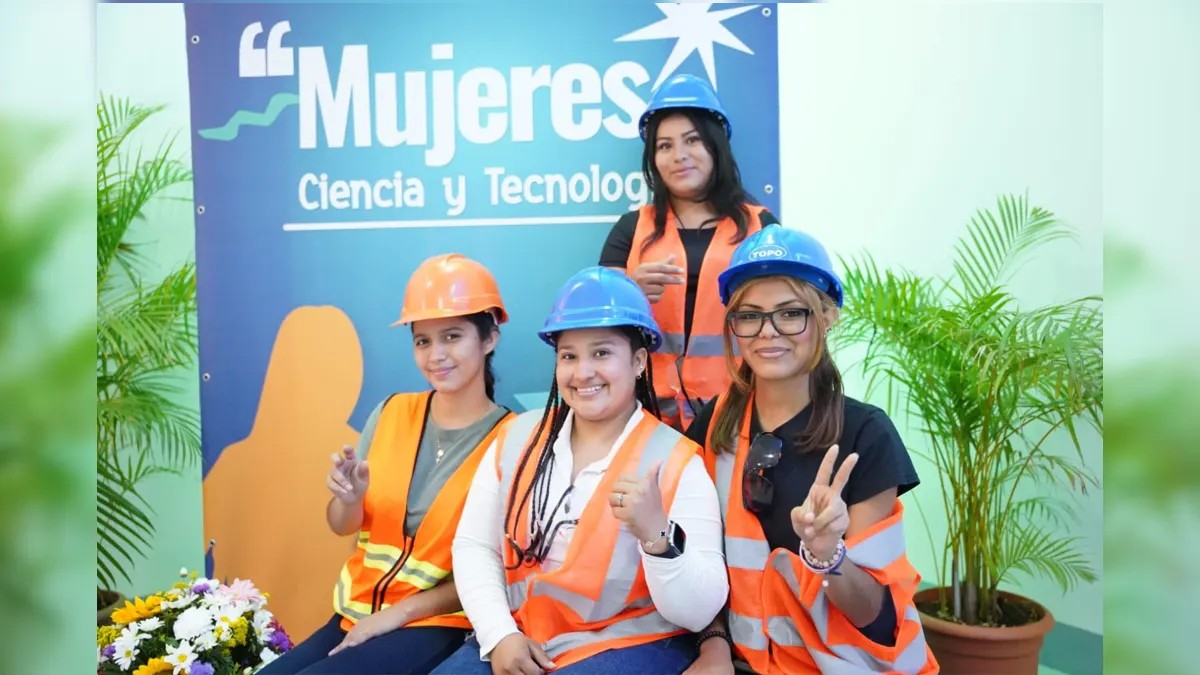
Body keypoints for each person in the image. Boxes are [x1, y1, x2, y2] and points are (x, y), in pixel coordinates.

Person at [434, 266, 728, 675]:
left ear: (640, 361)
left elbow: (699, 612)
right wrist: (499, 635)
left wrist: (658, 536)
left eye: (602, 353)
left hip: (628, 643)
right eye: (569, 355)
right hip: (524, 635)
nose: (583, 372)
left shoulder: (678, 461)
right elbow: (474, 547)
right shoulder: (516, 438)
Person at [683, 225, 939, 674]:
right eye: (750, 315)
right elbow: (699, 566)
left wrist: (827, 555)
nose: (768, 332)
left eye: (790, 313)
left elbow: (876, 621)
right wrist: (714, 646)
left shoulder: (866, 436)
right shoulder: (714, 425)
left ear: (827, 316)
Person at [261, 253, 515, 675]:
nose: (437, 355)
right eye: (423, 341)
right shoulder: (392, 412)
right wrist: (349, 499)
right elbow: (343, 525)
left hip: (441, 623)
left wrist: (396, 616)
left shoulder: (513, 438)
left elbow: (499, 570)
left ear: (488, 338)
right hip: (356, 612)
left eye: (452, 336)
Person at [600, 73, 781, 432]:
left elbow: (785, 314)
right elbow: (597, 328)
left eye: (692, 140)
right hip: (645, 413)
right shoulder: (631, 228)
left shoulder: (761, 229)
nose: (678, 156)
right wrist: (628, 293)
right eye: (664, 146)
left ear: (716, 146)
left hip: (743, 410)